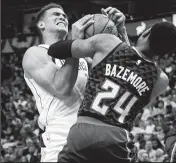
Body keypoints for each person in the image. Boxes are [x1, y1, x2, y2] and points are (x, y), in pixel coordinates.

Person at [47, 15, 176, 162]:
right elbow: (135, 66)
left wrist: (75, 39)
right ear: (166, 53)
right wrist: (122, 33)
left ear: (146, 33)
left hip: (83, 129)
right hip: (117, 138)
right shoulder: (161, 80)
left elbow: (55, 50)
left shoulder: (108, 42)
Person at [22, 3, 127, 162]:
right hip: (60, 134)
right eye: (56, 15)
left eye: (64, 15)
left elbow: (124, 73)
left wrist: (121, 33)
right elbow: (61, 88)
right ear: (41, 24)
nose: (62, 17)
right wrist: (74, 45)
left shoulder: (84, 58)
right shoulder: (35, 53)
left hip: (91, 133)